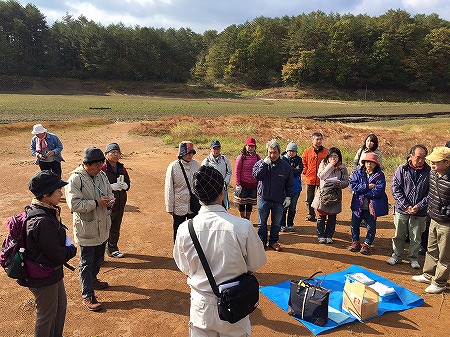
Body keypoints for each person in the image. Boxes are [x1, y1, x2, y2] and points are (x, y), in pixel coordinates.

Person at [173, 165, 267, 336]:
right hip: (234, 305)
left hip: (201, 307)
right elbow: (256, 262)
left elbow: (184, 267)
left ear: (197, 195)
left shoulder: (185, 229)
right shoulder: (243, 227)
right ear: (222, 192)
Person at [25, 171, 77, 337]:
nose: (61, 193)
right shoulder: (42, 221)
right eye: (58, 190)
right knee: (46, 316)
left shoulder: (46, 210)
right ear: (46, 194)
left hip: (51, 272)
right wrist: (72, 250)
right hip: (43, 276)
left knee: (60, 308)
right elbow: (57, 254)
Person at [65, 146, 114, 311]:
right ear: (87, 164)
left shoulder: (101, 175)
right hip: (87, 228)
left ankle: (93, 280)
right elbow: (73, 204)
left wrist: (110, 200)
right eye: (96, 166)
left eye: (101, 165)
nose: (99, 169)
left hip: (102, 225)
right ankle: (87, 294)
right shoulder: (75, 179)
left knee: (98, 257)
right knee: (86, 262)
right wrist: (96, 203)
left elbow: (109, 192)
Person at [412, 147, 450, 294]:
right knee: (431, 249)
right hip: (433, 218)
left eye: (435, 161)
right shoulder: (433, 173)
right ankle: (428, 274)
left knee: (444, 255)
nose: (431, 163)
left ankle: (440, 282)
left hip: (447, 223)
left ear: (447, 162)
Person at [387, 145, 430, 269]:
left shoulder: (429, 172)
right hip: (402, 209)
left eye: (423, 158)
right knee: (399, 234)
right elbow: (395, 188)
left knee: (416, 237)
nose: (420, 160)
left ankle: (413, 258)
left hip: (419, 211)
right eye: (418, 157)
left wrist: (419, 205)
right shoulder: (402, 169)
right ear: (411, 156)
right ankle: (396, 256)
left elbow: (430, 192)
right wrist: (406, 205)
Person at [253, 139, 294, 251]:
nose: (272, 155)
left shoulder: (285, 166)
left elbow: (290, 183)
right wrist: (264, 165)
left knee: (276, 224)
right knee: (262, 223)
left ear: (279, 152)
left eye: (275, 152)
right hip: (264, 199)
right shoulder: (261, 163)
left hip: (279, 200)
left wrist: (288, 197)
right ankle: (262, 241)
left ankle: (273, 241)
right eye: (270, 152)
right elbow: (257, 176)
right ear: (267, 152)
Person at [349, 152, 389, 255]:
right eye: (367, 162)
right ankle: (355, 241)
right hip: (358, 205)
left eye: (372, 162)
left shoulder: (380, 175)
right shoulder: (358, 173)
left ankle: (367, 243)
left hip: (372, 207)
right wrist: (368, 186)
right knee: (354, 224)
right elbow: (353, 186)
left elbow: (379, 190)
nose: (369, 164)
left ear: (376, 164)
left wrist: (363, 191)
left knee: (371, 227)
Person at [311, 147, 349, 243]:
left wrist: (340, 183)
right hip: (324, 194)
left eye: (335, 156)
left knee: (332, 217)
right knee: (321, 216)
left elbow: (346, 182)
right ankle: (321, 235)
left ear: (339, 157)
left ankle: (329, 236)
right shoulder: (323, 164)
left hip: (335, 195)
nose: (333, 158)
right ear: (328, 157)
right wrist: (331, 165)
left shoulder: (342, 168)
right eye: (331, 156)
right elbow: (322, 176)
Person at [165, 141, 200, 242]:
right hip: (179, 205)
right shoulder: (173, 167)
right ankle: (178, 251)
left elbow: (200, 184)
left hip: (193, 204)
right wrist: (169, 207)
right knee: (178, 230)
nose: (190, 155)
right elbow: (169, 188)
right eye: (188, 153)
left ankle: (193, 250)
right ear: (181, 153)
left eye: (192, 153)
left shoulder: (196, 165)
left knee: (193, 230)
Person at [101, 142, 130, 258]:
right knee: (104, 228)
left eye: (118, 152)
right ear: (106, 154)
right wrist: (110, 187)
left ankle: (113, 248)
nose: (116, 155)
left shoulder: (121, 168)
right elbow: (97, 185)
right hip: (107, 204)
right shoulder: (102, 168)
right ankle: (100, 253)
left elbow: (128, 183)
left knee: (115, 227)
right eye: (113, 152)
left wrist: (125, 186)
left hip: (120, 203)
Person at [302, 132, 328, 222]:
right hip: (310, 179)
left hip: (322, 179)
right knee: (309, 199)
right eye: (317, 139)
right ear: (312, 141)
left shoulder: (326, 152)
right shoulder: (307, 152)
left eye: (320, 139)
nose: (319, 141)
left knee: (322, 198)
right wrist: (305, 171)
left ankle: (321, 215)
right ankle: (311, 214)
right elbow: (303, 162)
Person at [234, 137, 261, 220]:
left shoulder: (257, 157)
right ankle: (242, 218)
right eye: (249, 146)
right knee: (241, 203)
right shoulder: (241, 157)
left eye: (252, 146)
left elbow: (260, 170)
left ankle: (247, 218)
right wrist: (238, 184)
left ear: (255, 147)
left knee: (250, 203)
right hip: (243, 184)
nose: (250, 148)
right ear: (245, 146)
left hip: (253, 185)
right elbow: (237, 171)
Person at [202, 140, 232, 209]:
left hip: (222, 188)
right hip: (211, 189)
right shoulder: (206, 161)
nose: (216, 151)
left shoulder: (225, 160)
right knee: (212, 207)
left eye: (218, 148)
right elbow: (203, 175)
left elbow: (229, 172)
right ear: (210, 149)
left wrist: (225, 181)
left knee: (223, 207)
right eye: (214, 149)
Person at [280, 141, 303, 232]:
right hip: (284, 188)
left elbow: (299, 171)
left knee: (292, 207)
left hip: (296, 188)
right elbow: (285, 171)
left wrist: (291, 168)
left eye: (294, 151)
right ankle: (282, 224)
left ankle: (290, 224)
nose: (292, 153)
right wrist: (293, 169)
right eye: (290, 151)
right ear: (287, 151)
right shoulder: (283, 159)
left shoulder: (299, 159)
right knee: (284, 207)